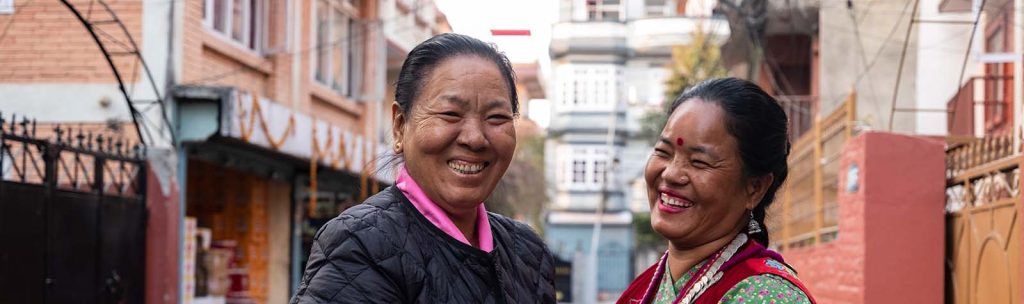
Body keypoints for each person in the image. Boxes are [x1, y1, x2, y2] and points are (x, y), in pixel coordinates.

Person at [290, 33, 556, 303]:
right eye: (450, 114)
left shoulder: (527, 251)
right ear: (399, 126)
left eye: (496, 117)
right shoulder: (360, 244)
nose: (475, 138)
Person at [618, 78, 816, 304]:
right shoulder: (648, 287)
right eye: (664, 151)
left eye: (699, 162)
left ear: (755, 188)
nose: (671, 174)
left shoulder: (763, 296)